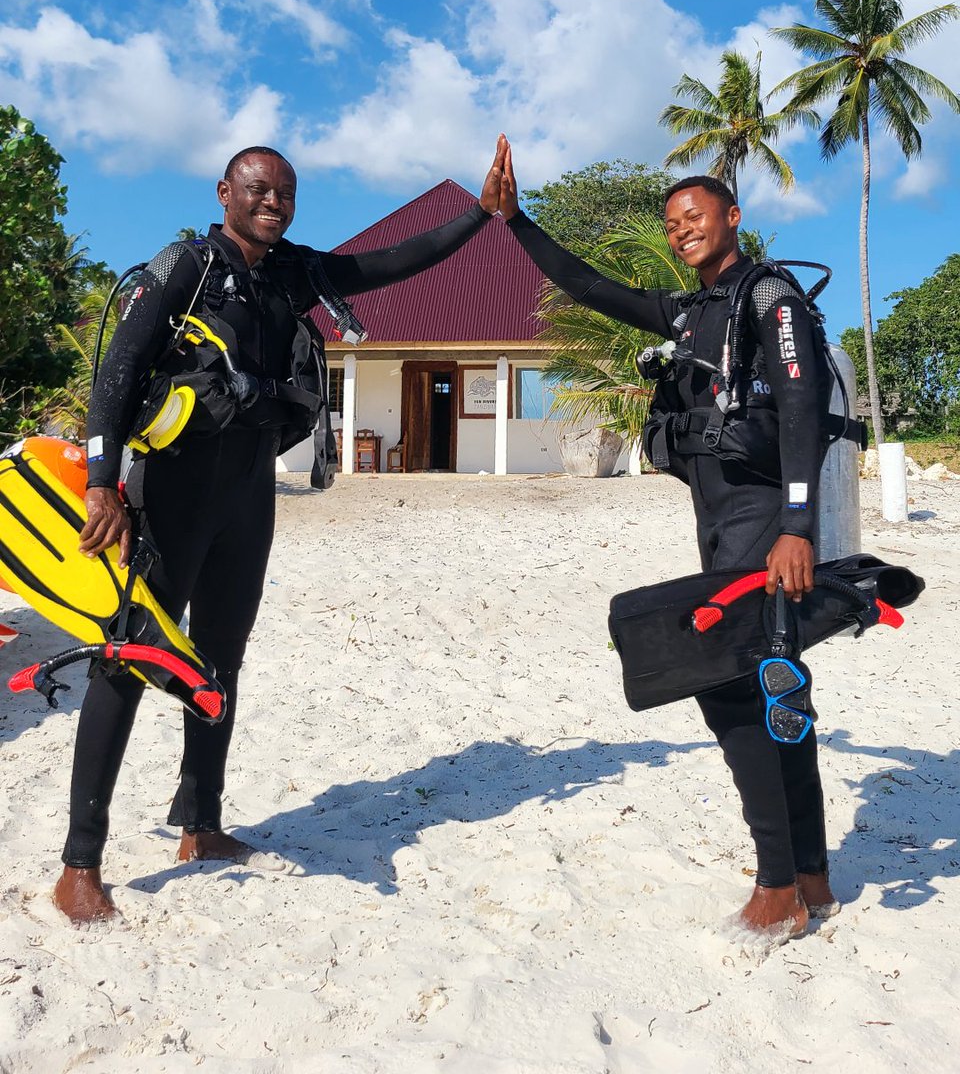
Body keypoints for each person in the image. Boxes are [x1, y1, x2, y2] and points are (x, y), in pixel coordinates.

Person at [54, 138, 508, 925]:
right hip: (168, 494)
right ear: (224, 190)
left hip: (249, 497)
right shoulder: (183, 268)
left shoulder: (294, 272)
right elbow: (117, 371)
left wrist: (478, 215)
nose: (274, 203)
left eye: (286, 193)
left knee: (221, 658)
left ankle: (200, 824)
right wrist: (101, 484)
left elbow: (389, 265)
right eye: (260, 190)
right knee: (127, 657)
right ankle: (79, 863)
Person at [497, 141, 836, 937]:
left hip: (762, 517)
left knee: (727, 682)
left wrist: (797, 526)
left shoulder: (771, 298)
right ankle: (812, 872)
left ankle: (779, 882)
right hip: (718, 519)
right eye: (673, 222)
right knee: (776, 684)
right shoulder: (691, 312)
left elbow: (802, 409)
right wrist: (517, 223)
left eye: (696, 216)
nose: (683, 230)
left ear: (732, 218)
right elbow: (588, 285)